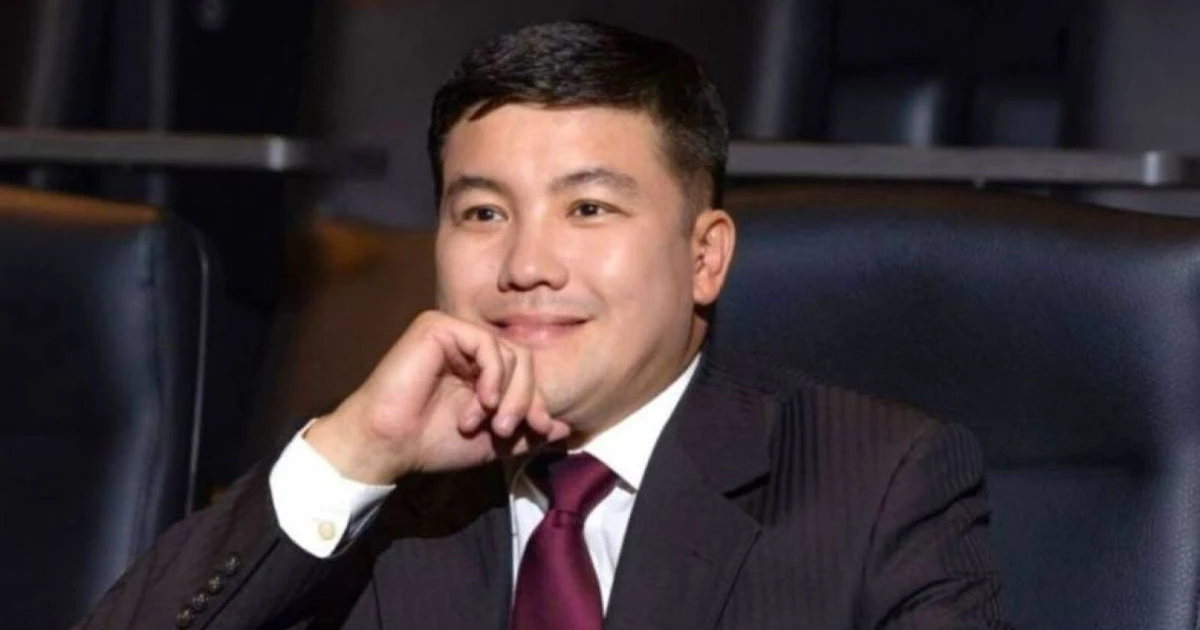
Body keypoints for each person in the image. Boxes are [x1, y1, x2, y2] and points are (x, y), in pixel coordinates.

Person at [79, 20, 1009, 630]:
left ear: (705, 257)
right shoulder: (374, 493)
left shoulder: (875, 484)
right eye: (483, 213)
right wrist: (355, 451)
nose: (526, 264)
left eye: (589, 210)